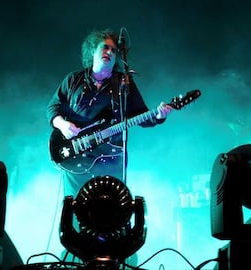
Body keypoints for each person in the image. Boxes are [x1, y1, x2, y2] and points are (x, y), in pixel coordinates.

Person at [47, 28, 173, 199]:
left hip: (110, 159)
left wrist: (159, 116)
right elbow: (53, 107)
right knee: (75, 209)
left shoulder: (123, 83)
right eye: (104, 47)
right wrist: (62, 124)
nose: (109, 52)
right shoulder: (73, 80)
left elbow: (142, 115)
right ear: (92, 51)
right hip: (74, 156)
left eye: (114, 50)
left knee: (109, 212)